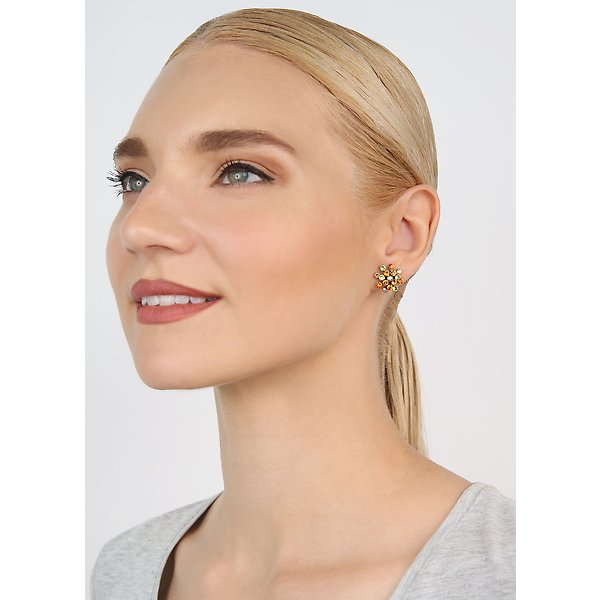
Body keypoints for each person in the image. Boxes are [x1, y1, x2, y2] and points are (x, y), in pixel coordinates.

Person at [91, 7, 515, 600]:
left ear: (401, 236)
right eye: (134, 181)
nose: (141, 227)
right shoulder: (124, 573)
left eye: (240, 172)